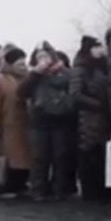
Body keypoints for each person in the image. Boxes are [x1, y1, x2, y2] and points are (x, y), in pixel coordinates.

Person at [17, 42, 76, 201]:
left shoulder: (65, 73)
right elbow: (21, 91)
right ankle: (38, 190)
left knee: (60, 156)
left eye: (45, 56)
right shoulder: (33, 75)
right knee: (39, 157)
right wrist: (35, 74)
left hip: (61, 120)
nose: (43, 60)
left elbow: (73, 91)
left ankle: (59, 190)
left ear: (52, 57)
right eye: (39, 57)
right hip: (39, 121)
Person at [0, 47, 31, 198]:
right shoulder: (0, 80)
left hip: (26, 125)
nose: (23, 67)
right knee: (11, 158)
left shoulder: (28, 78)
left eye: (24, 63)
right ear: (10, 65)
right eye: (19, 64)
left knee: (25, 157)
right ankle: (9, 186)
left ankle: (21, 184)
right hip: (8, 126)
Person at [70, 36, 111, 202]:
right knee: (89, 153)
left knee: (102, 154)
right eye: (96, 47)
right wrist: (97, 104)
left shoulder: (104, 66)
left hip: (103, 116)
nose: (100, 50)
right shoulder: (80, 68)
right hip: (88, 117)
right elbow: (75, 94)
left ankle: (103, 189)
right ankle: (90, 191)